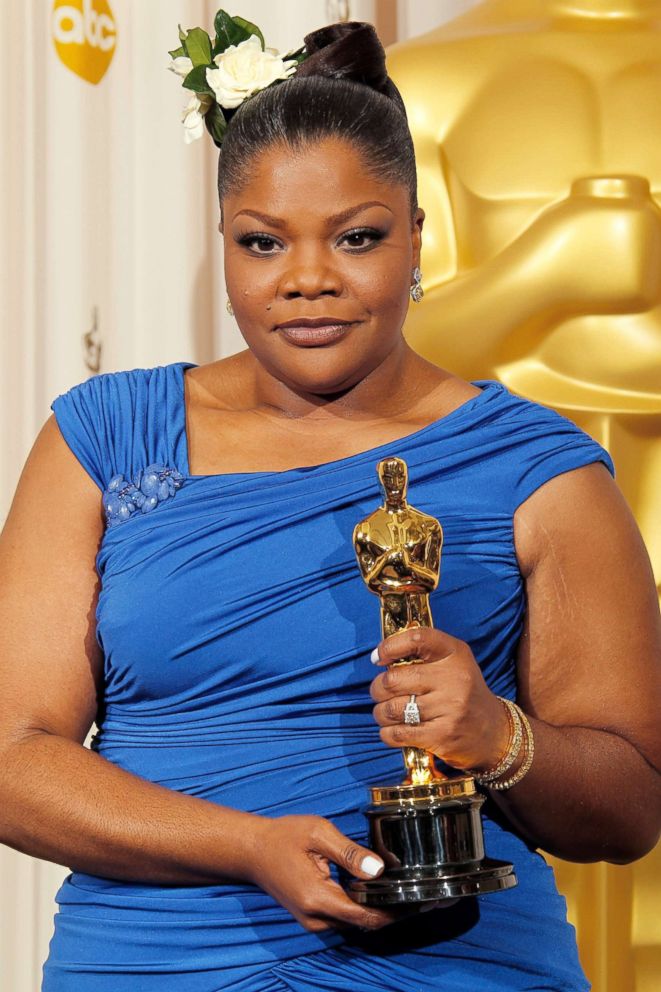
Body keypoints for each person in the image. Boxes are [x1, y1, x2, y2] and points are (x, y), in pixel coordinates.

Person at [0, 17, 659, 992]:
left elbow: (627, 806)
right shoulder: (102, 436)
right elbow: (15, 756)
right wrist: (247, 844)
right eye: (263, 243)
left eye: (357, 237)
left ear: (417, 237)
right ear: (223, 246)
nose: (308, 280)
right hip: (153, 962)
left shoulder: (541, 466)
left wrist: (495, 733)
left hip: (455, 964)